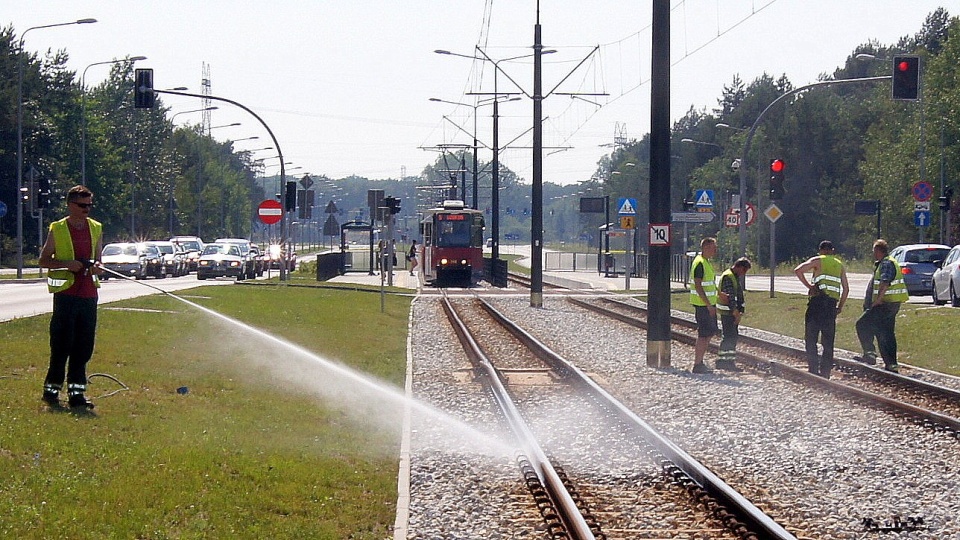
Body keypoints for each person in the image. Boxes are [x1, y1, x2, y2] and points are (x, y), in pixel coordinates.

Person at [38, 185, 104, 409]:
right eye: (82, 205)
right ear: (70, 205)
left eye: (89, 205)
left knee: (84, 345)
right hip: (66, 294)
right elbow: (43, 260)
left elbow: (99, 260)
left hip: (88, 295)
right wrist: (67, 264)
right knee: (61, 343)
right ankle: (51, 389)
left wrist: (97, 267)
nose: (87, 209)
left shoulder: (96, 228)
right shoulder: (58, 228)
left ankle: (77, 393)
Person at [794, 240, 850, 378]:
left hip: (817, 303)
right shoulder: (839, 265)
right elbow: (846, 289)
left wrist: (810, 287)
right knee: (828, 341)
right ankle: (825, 372)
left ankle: (813, 369)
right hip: (831, 305)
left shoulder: (818, 260)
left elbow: (798, 270)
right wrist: (840, 307)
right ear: (832, 250)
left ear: (821, 250)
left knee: (811, 338)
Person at [855, 239, 908, 373]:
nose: (873, 253)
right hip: (892, 304)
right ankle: (891, 364)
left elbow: (885, 282)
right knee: (885, 332)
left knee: (862, 324)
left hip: (885, 304)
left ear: (878, 250)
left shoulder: (886, 263)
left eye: (874, 251)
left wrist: (878, 299)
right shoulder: (889, 262)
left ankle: (869, 353)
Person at [689, 237, 719, 374]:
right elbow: (698, 285)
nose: (715, 250)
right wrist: (708, 305)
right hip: (703, 305)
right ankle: (697, 363)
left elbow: (710, 284)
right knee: (703, 334)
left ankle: (700, 361)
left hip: (708, 304)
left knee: (710, 332)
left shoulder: (706, 262)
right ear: (706, 247)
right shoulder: (700, 263)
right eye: (713, 247)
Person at [716, 257, 751, 371]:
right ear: (739, 267)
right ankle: (725, 362)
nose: (744, 274)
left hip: (730, 312)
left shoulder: (733, 276)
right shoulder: (728, 277)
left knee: (730, 336)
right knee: (730, 337)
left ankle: (725, 361)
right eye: (744, 270)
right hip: (728, 312)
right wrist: (736, 312)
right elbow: (730, 297)